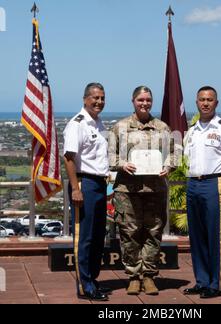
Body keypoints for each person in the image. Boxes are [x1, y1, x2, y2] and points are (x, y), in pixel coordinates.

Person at [108, 86, 174, 295]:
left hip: (155, 190)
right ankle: (133, 276)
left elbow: (174, 153)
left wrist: (169, 166)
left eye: (148, 100)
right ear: (133, 101)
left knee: (153, 233)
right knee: (129, 233)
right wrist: (122, 164)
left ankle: (149, 276)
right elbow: (110, 157)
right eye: (140, 100)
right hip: (128, 190)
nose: (144, 103)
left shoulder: (163, 127)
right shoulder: (120, 127)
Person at [183, 86, 221, 298]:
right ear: (197, 102)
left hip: (214, 184)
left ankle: (214, 283)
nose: (205, 103)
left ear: (216, 103)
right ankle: (201, 280)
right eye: (202, 99)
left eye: (210, 100)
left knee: (214, 236)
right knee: (197, 235)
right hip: (192, 184)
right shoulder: (192, 131)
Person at [63, 82, 111, 301]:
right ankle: (85, 286)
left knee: (99, 237)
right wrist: (75, 188)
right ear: (85, 99)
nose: (99, 102)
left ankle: (92, 279)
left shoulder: (99, 124)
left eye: (102, 98)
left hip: (100, 184)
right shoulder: (77, 124)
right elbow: (69, 159)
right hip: (84, 184)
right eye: (95, 98)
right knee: (85, 237)